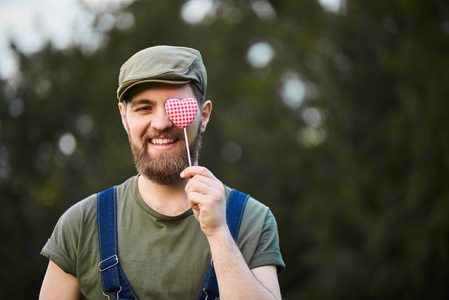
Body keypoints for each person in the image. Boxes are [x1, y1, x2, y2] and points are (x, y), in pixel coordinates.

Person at [39, 45, 285, 300]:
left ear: (204, 114)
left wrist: (220, 233)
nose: (161, 123)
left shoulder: (252, 220)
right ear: (124, 118)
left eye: (176, 106)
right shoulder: (81, 224)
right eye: (144, 108)